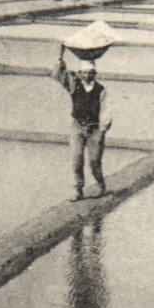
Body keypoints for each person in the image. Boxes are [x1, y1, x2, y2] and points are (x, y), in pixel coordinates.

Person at [52, 46, 110, 201]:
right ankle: (78, 190)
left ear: (95, 74)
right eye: (84, 73)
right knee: (77, 159)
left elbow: (106, 110)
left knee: (94, 161)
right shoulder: (74, 85)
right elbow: (58, 74)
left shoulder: (100, 90)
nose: (87, 75)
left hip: (94, 129)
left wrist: (103, 129)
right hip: (77, 126)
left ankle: (101, 186)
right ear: (79, 73)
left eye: (90, 73)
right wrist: (60, 55)